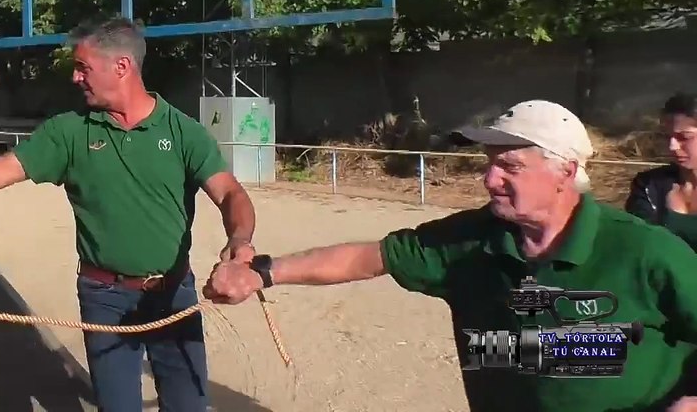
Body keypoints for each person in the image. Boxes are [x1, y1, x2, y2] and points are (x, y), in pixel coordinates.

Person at [203, 99, 697, 412]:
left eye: (510, 166)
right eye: (488, 164)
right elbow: (369, 257)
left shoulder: (645, 250)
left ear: (564, 172)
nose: (489, 179)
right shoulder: (470, 239)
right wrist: (262, 273)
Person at [0, 16, 257, 411]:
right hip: (104, 299)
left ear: (122, 67)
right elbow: (1, 169)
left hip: (174, 295)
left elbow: (230, 193)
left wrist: (240, 240)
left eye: (83, 67)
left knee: (188, 406)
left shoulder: (183, 132)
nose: (76, 78)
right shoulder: (69, 132)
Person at [625, 93, 697, 248]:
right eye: (667, 137)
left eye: (684, 137)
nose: (672, 146)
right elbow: (637, 242)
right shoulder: (648, 185)